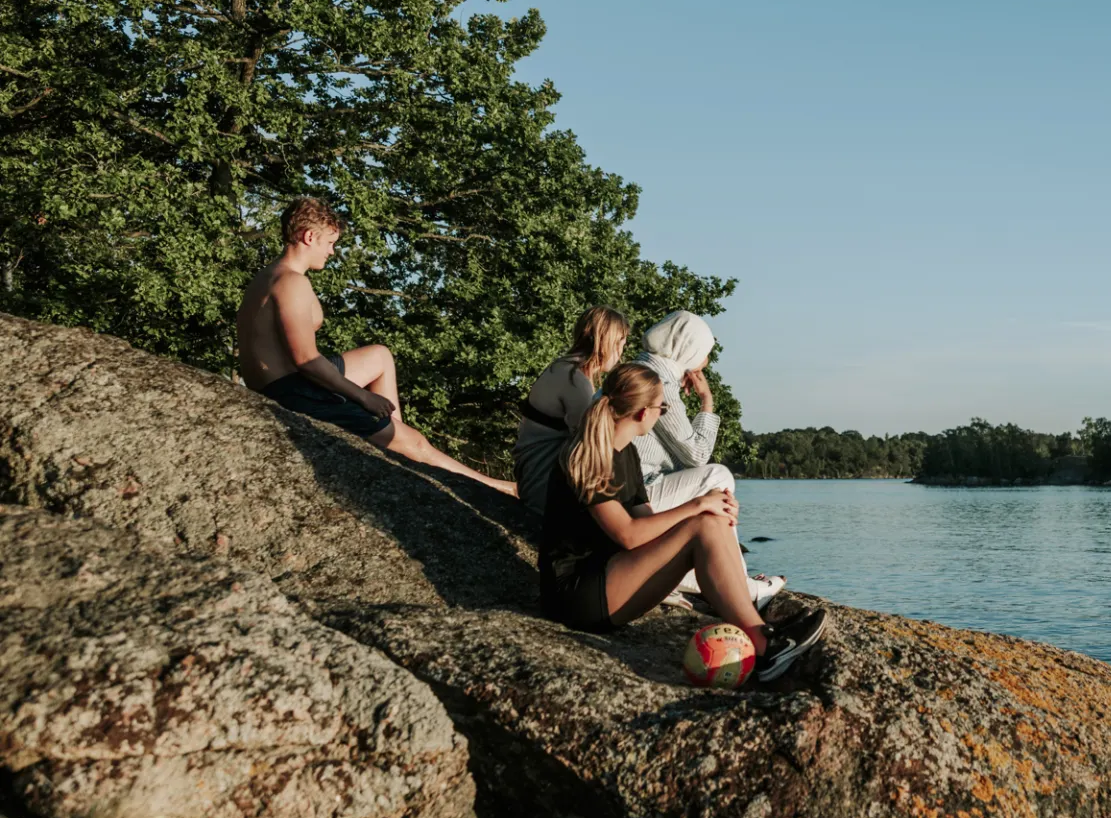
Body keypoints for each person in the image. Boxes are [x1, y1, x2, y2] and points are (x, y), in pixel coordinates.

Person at [541, 362, 828, 682]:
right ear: (641, 413)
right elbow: (628, 535)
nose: (662, 413)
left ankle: (756, 625)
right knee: (701, 522)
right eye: (662, 407)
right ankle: (766, 651)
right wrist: (695, 505)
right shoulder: (586, 455)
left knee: (710, 521)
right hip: (578, 594)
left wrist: (711, 509)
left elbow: (646, 522)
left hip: (613, 574)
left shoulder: (627, 454)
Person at [237, 197, 515, 495]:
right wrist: (363, 398)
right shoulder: (291, 283)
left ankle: (393, 443)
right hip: (292, 392)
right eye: (330, 242)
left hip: (291, 380)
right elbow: (306, 359)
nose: (332, 251)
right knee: (418, 443)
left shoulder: (271, 275)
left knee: (379, 356)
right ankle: (500, 489)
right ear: (309, 237)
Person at [631, 310, 784, 603]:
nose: (707, 361)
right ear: (686, 349)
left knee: (711, 491)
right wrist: (707, 401)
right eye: (704, 352)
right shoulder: (658, 382)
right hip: (640, 494)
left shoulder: (640, 369)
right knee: (719, 476)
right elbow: (696, 456)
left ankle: (707, 577)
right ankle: (741, 585)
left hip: (630, 489)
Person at [513, 306, 630, 515]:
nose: (621, 352)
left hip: (534, 474)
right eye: (619, 343)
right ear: (604, 342)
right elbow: (591, 444)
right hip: (543, 483)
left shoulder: (564, 368)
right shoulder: (576, 380)